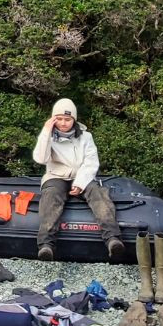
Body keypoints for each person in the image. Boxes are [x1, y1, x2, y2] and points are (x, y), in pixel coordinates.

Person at [33, 98, 123, 262]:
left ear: (74, 119)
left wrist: (80, 183)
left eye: (67, 119)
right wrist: (46, 132)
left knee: (98, 194)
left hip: (82, 175)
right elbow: (40, 158)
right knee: (51, 196)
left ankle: (112, 239)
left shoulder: (86, 137)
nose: (63, 123)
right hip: (56, 176)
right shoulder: (49, 136)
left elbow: (91, 162)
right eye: (59, 119)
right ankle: (46, 245)